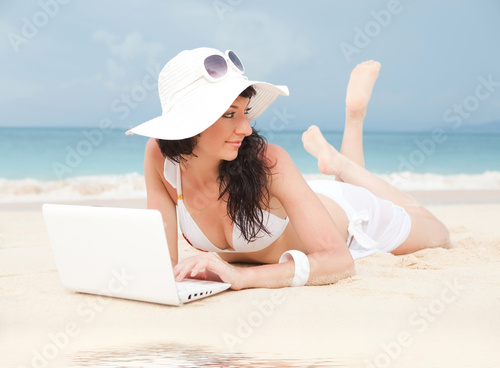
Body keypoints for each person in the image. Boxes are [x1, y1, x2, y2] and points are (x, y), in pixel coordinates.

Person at [126, 48, 450, 290]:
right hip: (307, 202)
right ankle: (341, 159)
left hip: (351, 218)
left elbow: (339, 261)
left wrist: (242, 277)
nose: (246, 129)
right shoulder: (159, 156)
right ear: (188, 121)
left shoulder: (267, 161)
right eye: (229, 114)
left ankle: (349, 138)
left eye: (244, 113)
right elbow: (163, 265)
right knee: (348, 190)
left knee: (439, 233)